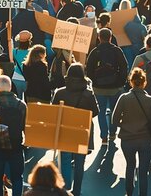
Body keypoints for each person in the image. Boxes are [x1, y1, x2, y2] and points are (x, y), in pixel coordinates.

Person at [51, 63, 98, 195]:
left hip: (65, 131)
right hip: (82, 131)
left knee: (65, 160)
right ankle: (77, 191)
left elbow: (53, 112)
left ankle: (65, 190)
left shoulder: (60, 92)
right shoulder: (88, 93)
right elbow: (95, 112)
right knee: (79, 163)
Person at [112, 68, 151, 196]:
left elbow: (114, 119)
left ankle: (129, 193)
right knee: (143, 171)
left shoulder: (124, 98)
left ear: (131, 81)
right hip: (146, 139)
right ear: (144, 82)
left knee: (130, 166)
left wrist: (124, 125)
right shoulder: (150, 100)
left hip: (127, 139)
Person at [86, 28, 128, 145]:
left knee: (101, 112)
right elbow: (124, 67)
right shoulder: (117, 51)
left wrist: (94, 82)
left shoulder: (95, 52)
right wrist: (120, 82)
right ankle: (112, 132)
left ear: (99, 37)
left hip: (99, 88)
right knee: (114, 111)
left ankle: (103, 136)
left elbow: (89, 69)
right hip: (115, 87)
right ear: (110, 37)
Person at [12, 30, 32, 99]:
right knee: (28, 101)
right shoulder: (31, 52)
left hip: (16, 77)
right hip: (28, 78)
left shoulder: (15, 51)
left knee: (17, 101)